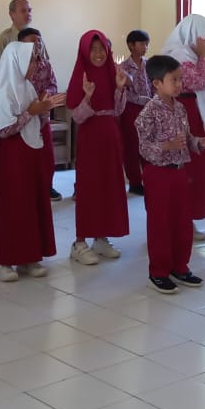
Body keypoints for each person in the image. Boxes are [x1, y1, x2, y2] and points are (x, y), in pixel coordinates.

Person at [0, 42, 65, 282]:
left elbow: (37, 120)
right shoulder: (4, 89)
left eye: (36, 60)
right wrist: (33, 110)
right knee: (14, 206)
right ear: (16, 61)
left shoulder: (27, 86)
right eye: (31, 60)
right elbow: (4, 130)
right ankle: (4, 261)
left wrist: (44, 108)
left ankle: (30, 257)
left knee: (32, 203)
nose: (35, 65)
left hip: (31, 151)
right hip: (12, 156)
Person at [135, 55, 205, 294]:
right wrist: (166, 146)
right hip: (158, 173)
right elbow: (143, 147)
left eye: (180, 79)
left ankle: (180, 266)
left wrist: (198, 142)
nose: (179, 84)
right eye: (174, 80)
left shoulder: (180, 108)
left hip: (179, 172)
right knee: (160, 223)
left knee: (182, 221)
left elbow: (186, 139)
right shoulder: (149, 112)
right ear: (157, 83)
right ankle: (158, 272)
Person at [66, 30, 130, 265]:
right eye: (92, 49)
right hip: (90, 138)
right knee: (90, 188)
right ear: (84, 52)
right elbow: (76, 116)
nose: (98, 54)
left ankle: (101, 238)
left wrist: (120, 88)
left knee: (109, 186)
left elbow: (119, 109)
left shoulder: (112, 72)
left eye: (101, 48)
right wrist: (87, 97)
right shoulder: (80, 75)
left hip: (110, 136)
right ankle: (79, 242)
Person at [162, 15, 205, 241]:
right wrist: (203, 59)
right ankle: (180, 218)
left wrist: (204, 60)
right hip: (185, 113)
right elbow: (197, 82)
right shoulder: (177, 55)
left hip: (200, 114)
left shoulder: (196, 56)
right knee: (188, 167)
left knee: (199, 167)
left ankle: (189, 218)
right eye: (204, 36)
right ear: (192, 35)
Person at [16, 28, 64, 202]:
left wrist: (47, 92)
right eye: (32, 41)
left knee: (47, 156)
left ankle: (47, 186)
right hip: (22, 119)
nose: (37, 44)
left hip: (42, 118)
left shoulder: (45, 64)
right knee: (25, 156)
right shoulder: (15, 65)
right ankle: (26, 188)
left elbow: (53, 84)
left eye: (39, 41)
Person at [120, 30, 152, 195]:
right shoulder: (123, 67)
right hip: (131, 109)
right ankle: (134, 182)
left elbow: (155, 85)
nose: (145, 47)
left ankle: (150, 178)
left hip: (149, 109)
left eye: (147, 44)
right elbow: (123, 93)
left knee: (148, 143)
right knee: (132, 146)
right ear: (131, 46)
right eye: (142, 44)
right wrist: (141, 100)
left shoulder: (149, 65)